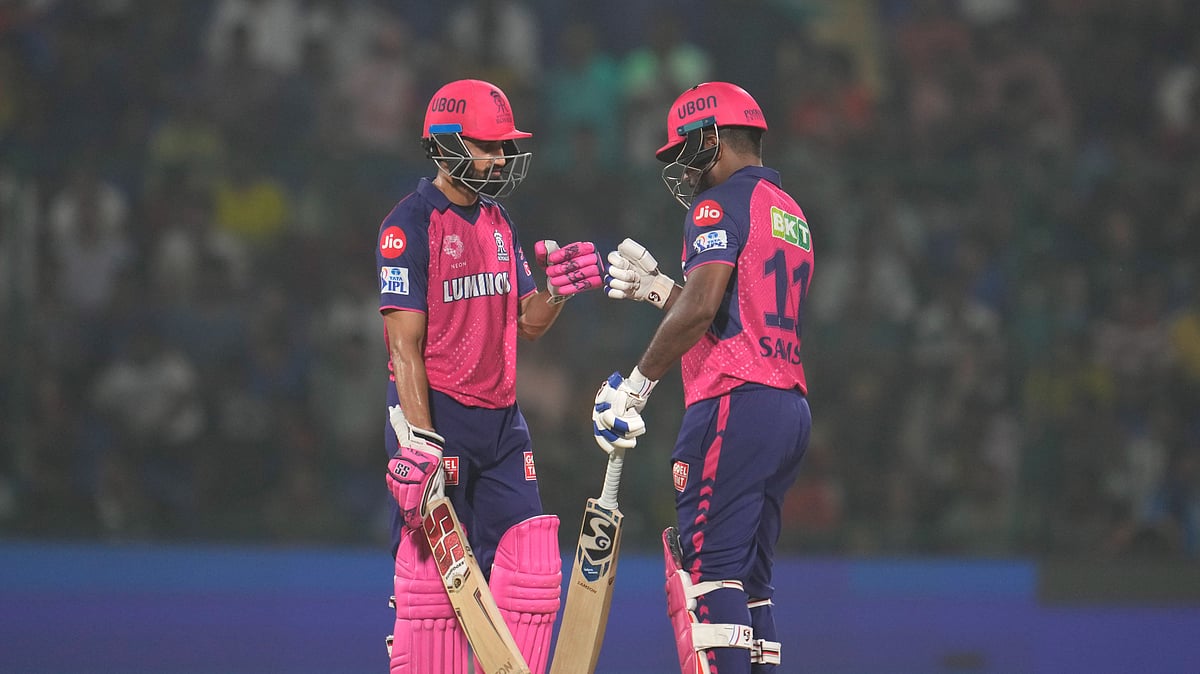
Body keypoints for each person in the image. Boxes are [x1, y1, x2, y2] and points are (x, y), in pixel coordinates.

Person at [376, 78, 603, 674]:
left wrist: (557, 289)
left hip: (502, 424)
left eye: (505, 146)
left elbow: (528, 321)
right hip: (440, 420)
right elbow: (404, 347)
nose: (501, 159)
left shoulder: (499, 221)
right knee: (433, 593)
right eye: (489, 146)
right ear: (448, 143)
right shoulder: (409, 226)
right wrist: (420, 444)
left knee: (532, 570)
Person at [595, 82, 814, 674]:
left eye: (685, 151)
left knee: (709, 576)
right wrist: (662, 290)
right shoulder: (790, 211)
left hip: (732, 403)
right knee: (752, 583)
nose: (684, 170)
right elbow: (733, 316)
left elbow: (701, 311)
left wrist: (636, 386)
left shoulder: (716, 206)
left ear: (710, 138)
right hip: (787, 406)